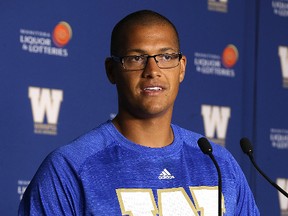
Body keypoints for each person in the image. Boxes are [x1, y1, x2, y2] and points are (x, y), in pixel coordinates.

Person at [19, 10, 260, 215]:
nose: (152, 70)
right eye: (136, 58)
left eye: (166, 56)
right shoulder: (69, 167)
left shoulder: (219, 163)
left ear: (182, 68)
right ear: (112, 71)